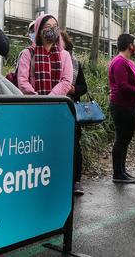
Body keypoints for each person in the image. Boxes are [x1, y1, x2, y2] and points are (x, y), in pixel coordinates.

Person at [108, 34, 135, 184]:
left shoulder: (129, 62)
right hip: (121, 106)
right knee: (121, 139)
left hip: (130, 106)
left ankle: (122, 170)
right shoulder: (119, 62)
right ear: (129, 45)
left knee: (125, 139)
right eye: (134, 43)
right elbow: (123, 87)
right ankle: (117, 173)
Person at [16, 14, 73, 96]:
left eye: (55, 26)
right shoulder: (28, 53)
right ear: (39, 32)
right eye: (48, 26)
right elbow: (22, 80)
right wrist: (37, 98)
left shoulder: (64, 55)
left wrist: (51, 97)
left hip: (57, 103)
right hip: (34, 103)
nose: (53, 29)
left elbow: (66, 81)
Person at [61, 31, 88, 195]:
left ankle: (76, 181)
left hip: (71, 109)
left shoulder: (75, 62)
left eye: (60, 41)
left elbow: (83, 87)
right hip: (53, 109)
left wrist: (73, 88)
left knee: (74, 146)